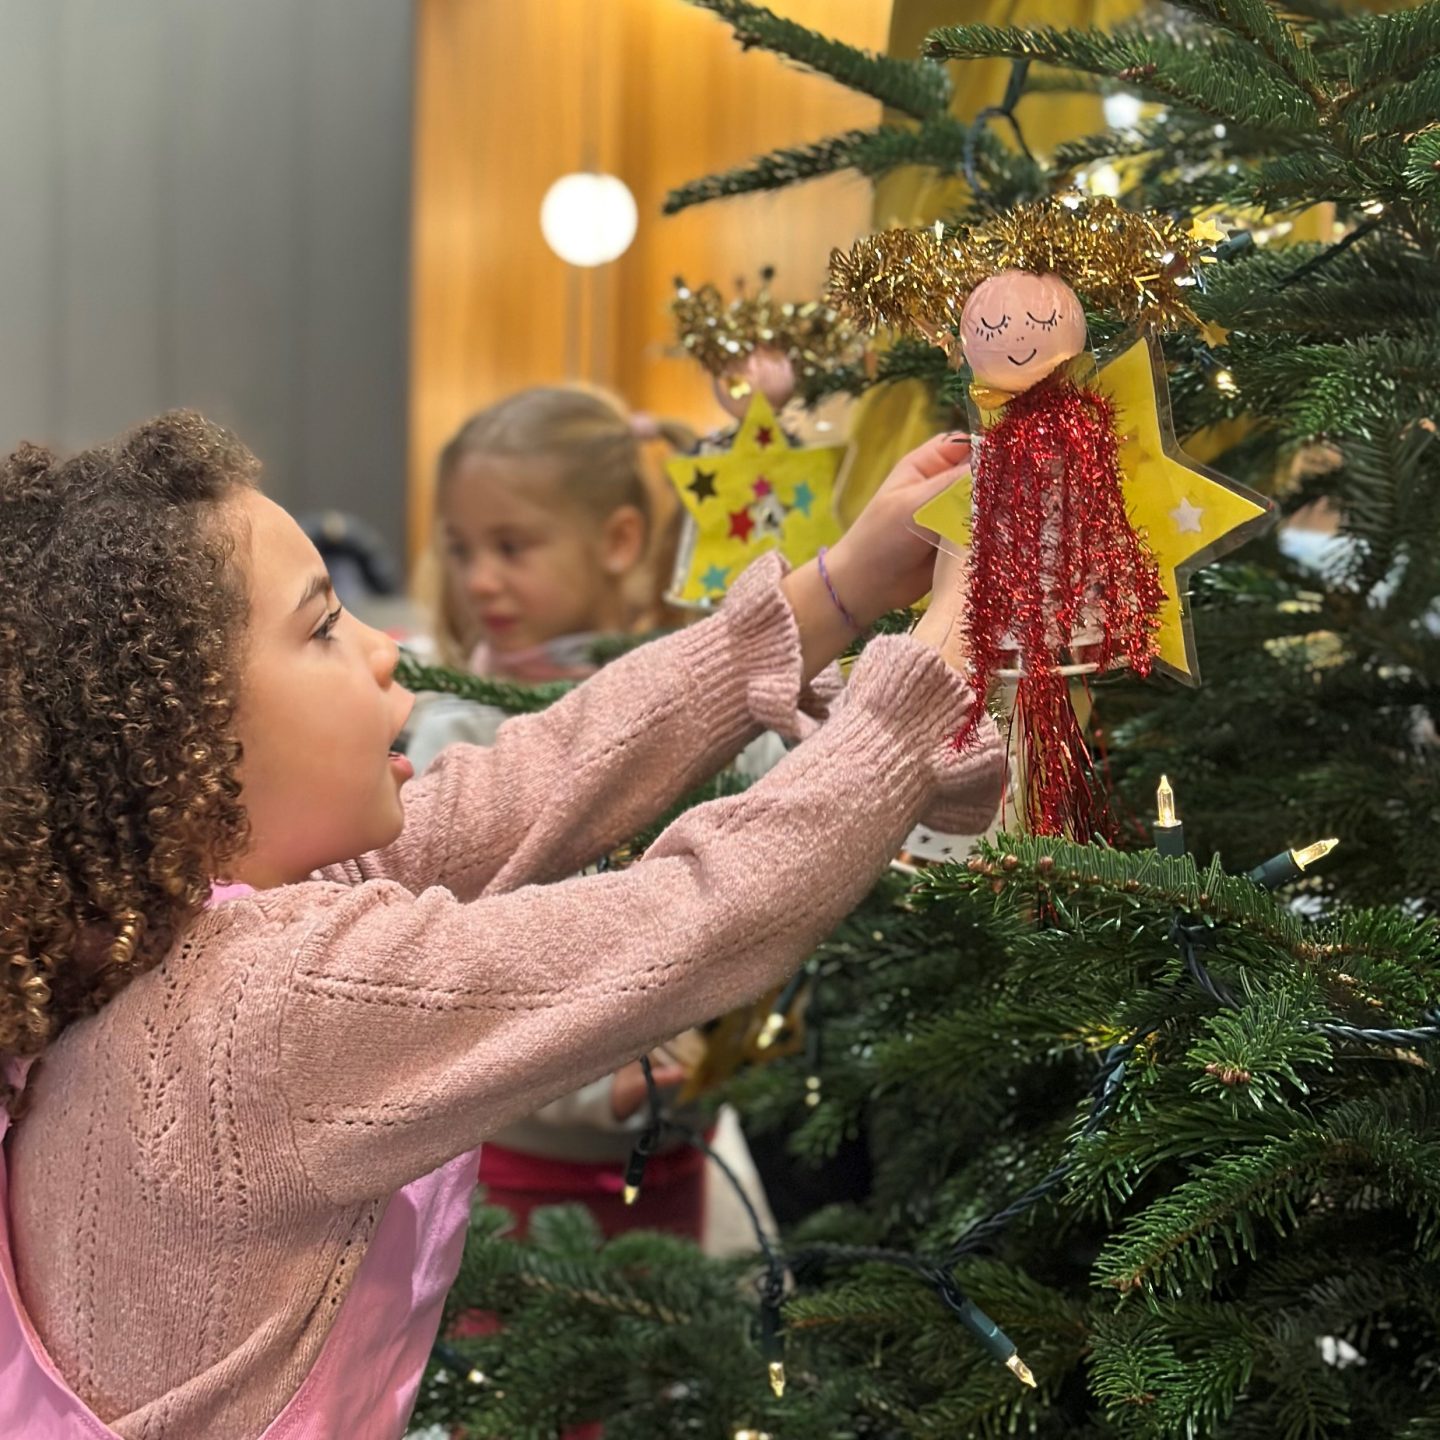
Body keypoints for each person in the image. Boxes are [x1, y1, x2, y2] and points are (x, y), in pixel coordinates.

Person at [0, 411, 1002, 1440]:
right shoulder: (258, 1010)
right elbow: (701, 915)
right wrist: (928, 677)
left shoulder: (137, 917)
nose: (385, 650)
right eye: (324, 628)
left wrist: (839, 589)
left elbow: (547, 772)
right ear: (186, 741)